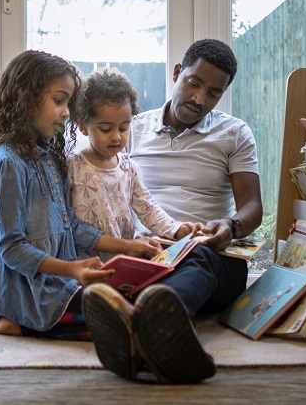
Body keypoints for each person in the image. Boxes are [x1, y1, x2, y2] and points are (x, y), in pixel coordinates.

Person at [82, 38, 263, 384]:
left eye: (213, 93)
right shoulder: (131, 129)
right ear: (178, 73)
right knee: (115, 267)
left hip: (212, 258)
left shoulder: (235, 134)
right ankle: (155, 333)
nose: (199, 99)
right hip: (149, 253)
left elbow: (252, 207)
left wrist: (230, 225)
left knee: (199, 258)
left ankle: (147, 315)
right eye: (194, 83)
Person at [0, 50, 161, 341]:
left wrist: (128, 247)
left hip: (52, 279)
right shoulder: (7, 164)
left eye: (68, 102)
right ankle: (17, 323)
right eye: (58, 100)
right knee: (111, 315)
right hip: (17, 284)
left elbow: (72, 226)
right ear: (24, 97)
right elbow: (11, 248)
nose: (66, 112)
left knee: (123, 306)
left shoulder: (49, 157)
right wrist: (71, 269)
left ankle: (48, 324)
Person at [67, 67, 201, 262]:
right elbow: (67, 225)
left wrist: (176, 229)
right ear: (83, 126)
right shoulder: (72, 167)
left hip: (124, 263)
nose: (116, 136)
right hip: (83, 267)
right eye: (105, 129)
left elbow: (147, 207)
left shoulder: (129, 168)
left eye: (124, 127)